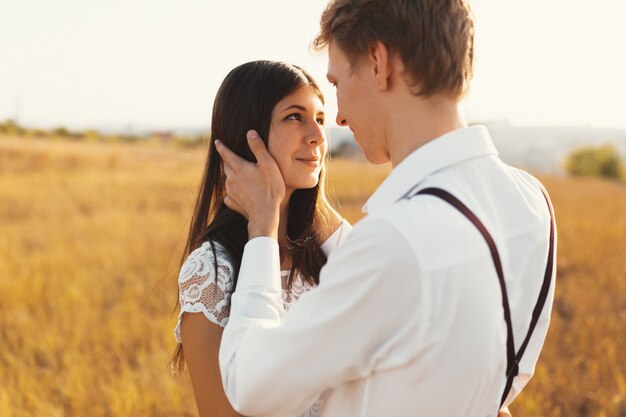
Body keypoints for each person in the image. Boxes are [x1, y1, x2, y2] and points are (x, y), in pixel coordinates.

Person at [215, 1, 557, 417]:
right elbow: (503, 382)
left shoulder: (397, 239)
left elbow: (250, 386)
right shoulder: (532, 202)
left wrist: (263, 232)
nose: (337, 118)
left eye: (338, 83)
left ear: (379, 63)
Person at [171, 60, 351, 417]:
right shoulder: (211, 271)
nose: (317, 135)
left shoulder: (327, 254)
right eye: (294, 117)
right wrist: (264, 222)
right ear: (248, 135)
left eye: (319, 118)